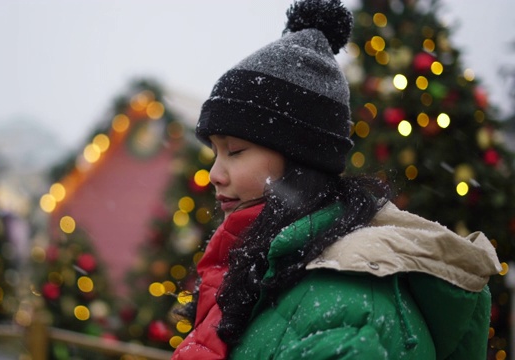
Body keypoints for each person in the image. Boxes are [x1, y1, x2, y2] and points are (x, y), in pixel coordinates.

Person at [171, 0, 502, 359]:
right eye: (214, 151)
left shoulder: (345, 310)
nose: (213, 175)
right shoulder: (259, 273)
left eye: (234, 151)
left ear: (300, 158)